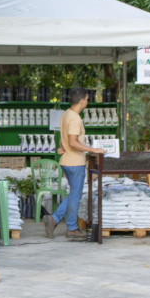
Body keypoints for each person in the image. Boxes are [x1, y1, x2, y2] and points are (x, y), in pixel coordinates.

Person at [45, 87, 105, 240]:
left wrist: (61, 146)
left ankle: (54, 220)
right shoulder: (75, 118)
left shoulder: (66, 115)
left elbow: (62, 138)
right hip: (75, 162)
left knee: (73, 194)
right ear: (82, 100)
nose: (87, 102)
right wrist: (93, 149)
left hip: (67, 160)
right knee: (75, 195)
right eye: (87, 99)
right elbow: (73, 142)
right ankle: (70, 228)